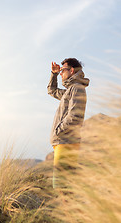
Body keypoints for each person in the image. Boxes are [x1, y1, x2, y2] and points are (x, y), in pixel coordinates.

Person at [47, 58, 90, 189]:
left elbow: (75, 117)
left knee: (61, 186)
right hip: (63, 143)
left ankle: (71, 209)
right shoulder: (69, 91)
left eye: (62, 70)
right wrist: (53, 74)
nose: (61, 73)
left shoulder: (77, 89)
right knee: (64, 186)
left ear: (71, 71)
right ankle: (72, 209)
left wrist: (58, 131)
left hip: (66, 142)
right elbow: (52, 90)